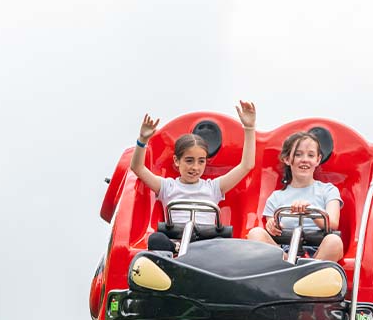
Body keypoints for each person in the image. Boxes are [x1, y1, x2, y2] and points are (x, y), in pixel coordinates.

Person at [131, 101, 257, 251]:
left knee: (225, 244)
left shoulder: (213, 187)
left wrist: (249, 128)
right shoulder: (167, 186)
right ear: (177, 161)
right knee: (156, 239)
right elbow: (137, 167)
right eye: (189, 161)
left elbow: (246, 165)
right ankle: (176, 253)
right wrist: (143, 140)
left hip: (206, 245)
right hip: (176, 242)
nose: (195, 167)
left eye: (201, 161)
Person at [247, 130, 344, 261]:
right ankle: (290, 269)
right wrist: (272, 226)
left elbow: (332, 224)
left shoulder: (328, 190)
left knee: (334, 241)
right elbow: (272, 227)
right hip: (285, 253)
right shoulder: (276, 197)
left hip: (319, 251)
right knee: (255, 233)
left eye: (310, 155)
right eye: (298, 155)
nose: (305, 160)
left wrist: (309, 212)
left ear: (317, 160)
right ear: (287, 159)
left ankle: (307, 272)